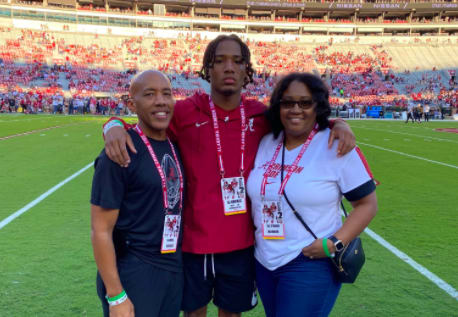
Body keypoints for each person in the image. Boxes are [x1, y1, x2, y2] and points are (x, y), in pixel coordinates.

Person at [102, 35, 356, 317]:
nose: (229, 67)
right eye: (219, 60)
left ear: (247, 70)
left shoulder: (260, 115)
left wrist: (337, 122)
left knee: (231, 313)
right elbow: (148, 122)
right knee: (194, 312)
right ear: (206, 69)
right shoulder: (186, 111)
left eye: (237, 61)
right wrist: (112, 124)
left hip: (241, 245)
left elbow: (300, 118)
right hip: (192, 243)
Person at [246, 73, 377, 317]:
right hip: (265, 261)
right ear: (278, 106)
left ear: (318, 105)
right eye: (288, 102)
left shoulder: (337, 145)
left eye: (305, 103)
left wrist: (334, 243)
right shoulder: (267, 142)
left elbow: (367, 204)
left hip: (309, 260)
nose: (296, 109)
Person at [90, 70, 185, 317]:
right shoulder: (118, 153)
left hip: (171, 265)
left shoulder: (174, 144)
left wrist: (112, 123)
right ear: (132, 104)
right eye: (150, 94)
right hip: (135, 269)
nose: (161, 101)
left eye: (167, 93)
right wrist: (116, 295)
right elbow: (100, 230)